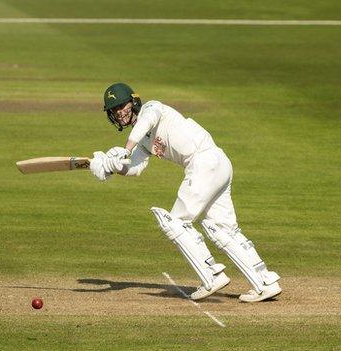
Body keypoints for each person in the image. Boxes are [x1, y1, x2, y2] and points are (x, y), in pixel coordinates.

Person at [90, 83, 282, 302]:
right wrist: (112, 166)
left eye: (121, 106)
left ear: (133, 102)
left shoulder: (152, 108)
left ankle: (211, 276)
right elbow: (134, 168)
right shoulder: (143, 141)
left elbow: (146, 122)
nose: (118, 113)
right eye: (113, 110)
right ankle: (265, 281)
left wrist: (125, 149)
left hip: (203, 161)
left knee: (175, 222)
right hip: (216, 164)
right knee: (222, 228)